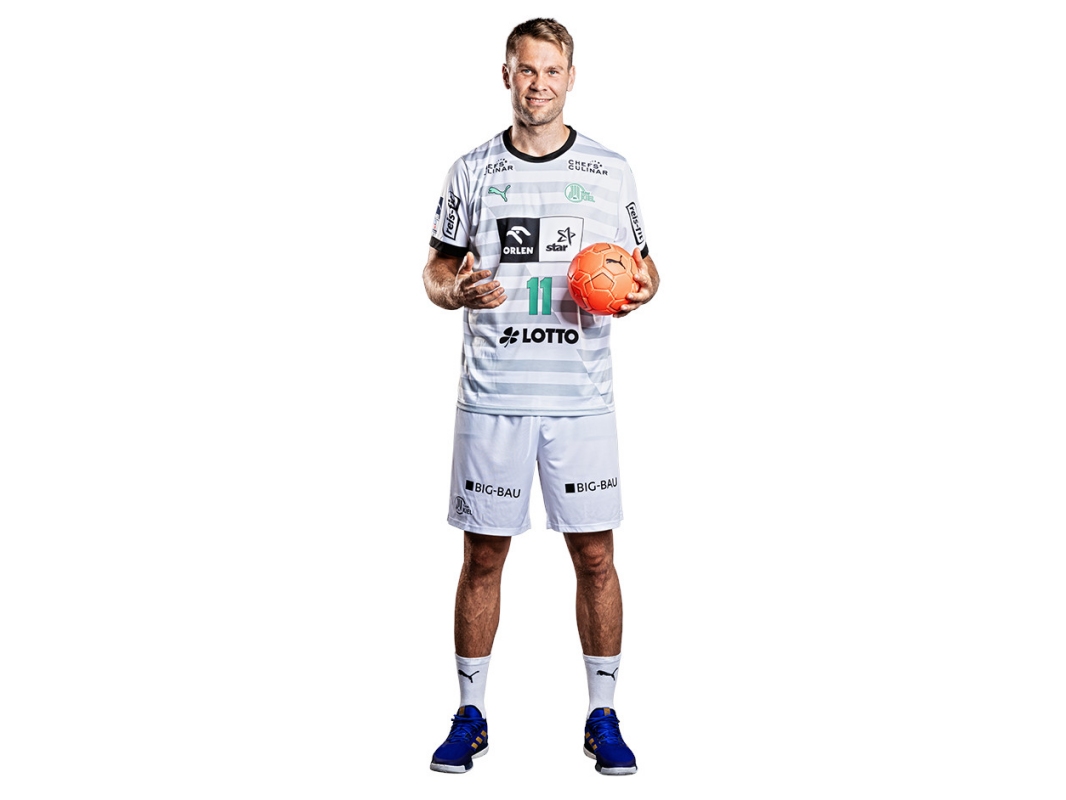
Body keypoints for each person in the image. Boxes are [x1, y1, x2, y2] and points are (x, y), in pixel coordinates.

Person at [422, 17, 659, 776]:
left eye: (552, 71)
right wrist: (455, 290)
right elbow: (436, 270)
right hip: (492, 395)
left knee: (595, 554)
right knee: (482, 556)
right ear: (506, 75)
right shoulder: (471, 171)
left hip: (580, 399)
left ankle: (603, 715)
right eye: (527, 70)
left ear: (571, 78)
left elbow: (646, 269)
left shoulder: (609, 171)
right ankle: (470, 714)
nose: (539, 85)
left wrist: (642, 289)